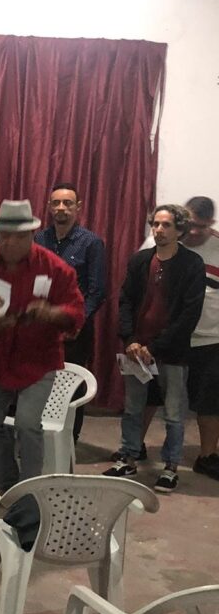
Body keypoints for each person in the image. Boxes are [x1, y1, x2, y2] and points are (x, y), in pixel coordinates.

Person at [0, 200, 85, 493]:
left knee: (28, 426)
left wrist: (52, 314)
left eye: (18, 236)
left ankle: (29, 493)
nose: (9, 241)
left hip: (38, 361)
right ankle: (8, 484)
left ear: (32, 235)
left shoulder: (55, 268)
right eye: (4, 235)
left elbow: (76, 315)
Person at [106, 205, 205, 492]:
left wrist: (156, 346)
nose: (159, 230)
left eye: (166, 225)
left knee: (174, 413)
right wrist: (130, 340)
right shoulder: (139, 261)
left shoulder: (192, 264)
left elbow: (189, 313)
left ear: (180, 230)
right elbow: (125, 300)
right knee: (133, 408)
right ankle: (128, 458)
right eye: (156, 224)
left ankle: (171, 467)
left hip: (171, 352)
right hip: (137, 350)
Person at [33, 183, 106, 440]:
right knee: (40, 383)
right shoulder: (39, 239)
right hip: (42, 327)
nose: (61, 208)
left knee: (71, 386)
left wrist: (74, 323)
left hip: (75, 331)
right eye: (56, 203)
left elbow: (97, 291)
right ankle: (39, 437)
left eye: (67, 203)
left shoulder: (91, 242)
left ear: (78, 207)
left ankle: (68, 441)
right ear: (49, 206)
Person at [181, 197, 219, 477]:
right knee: (151, 395)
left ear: (212, 225)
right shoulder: (166, 236)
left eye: (202, 227)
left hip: (211, 338)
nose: (194, 232)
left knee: (210, 401)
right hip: (171, 336)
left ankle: (207, 455)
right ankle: (133, 449)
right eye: (191, 224)